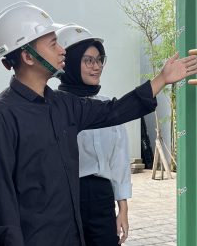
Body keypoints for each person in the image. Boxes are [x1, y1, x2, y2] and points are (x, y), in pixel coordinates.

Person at [0, 2, 197, 245]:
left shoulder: (62, 105)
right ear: (28, 56)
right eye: (53, 43)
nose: (62, 50)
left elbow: (114, 111)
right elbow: (1, 200)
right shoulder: (0, 116)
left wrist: (162, 79)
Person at [57, 24, 132, 245]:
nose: (96, 66)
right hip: (67, 198)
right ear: (69, 63)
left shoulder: (108, 107)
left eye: (99, 59)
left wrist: (123, 210)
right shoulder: (55, 107)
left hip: (102, 198)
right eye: (88, 60)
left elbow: (120, 161)